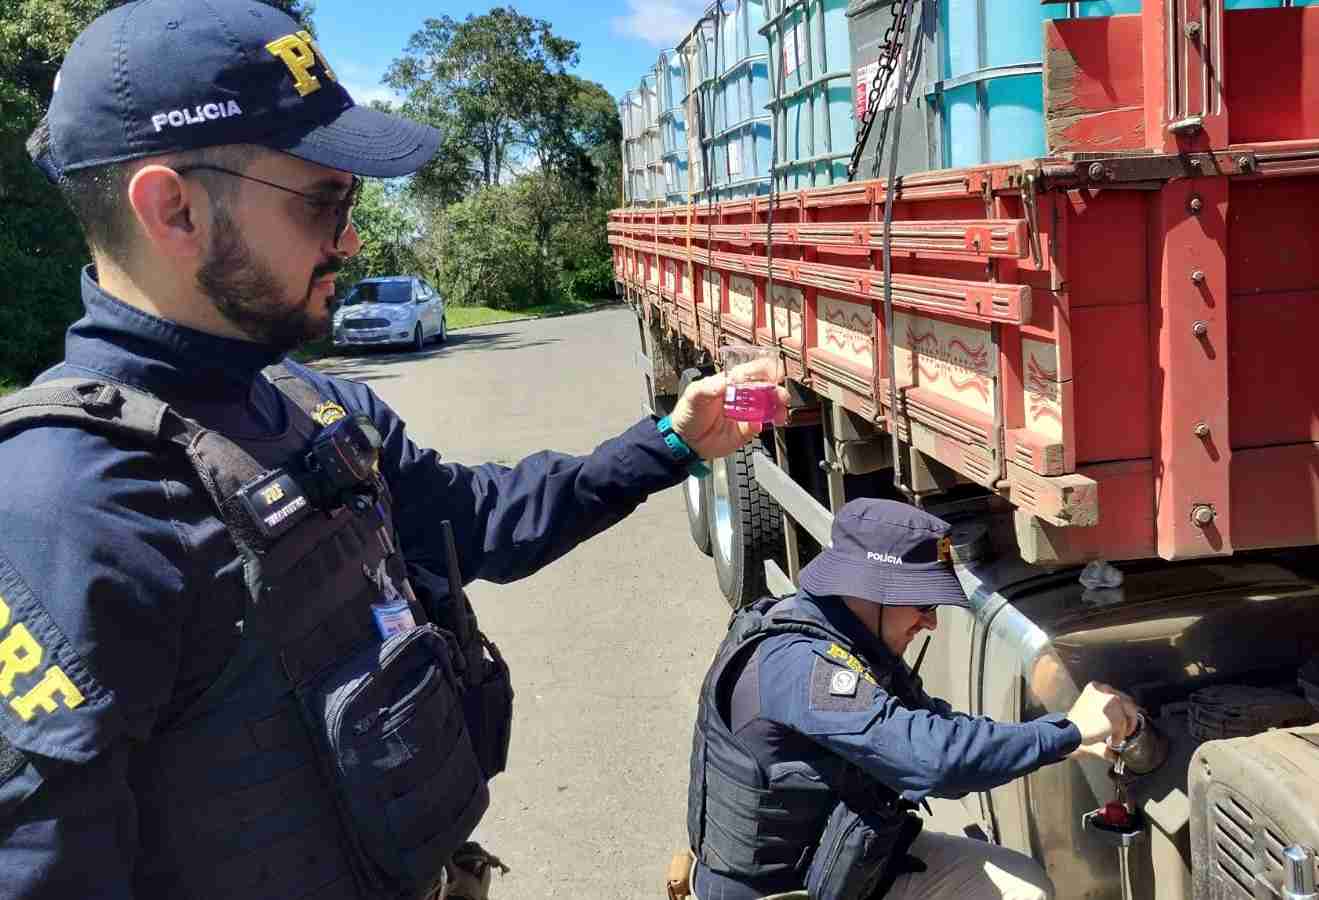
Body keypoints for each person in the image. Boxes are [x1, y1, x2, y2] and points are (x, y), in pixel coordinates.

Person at [0, 2, 787, 898]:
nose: (351, 238)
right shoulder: (61, 510)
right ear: (172, 207)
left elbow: (480, 520)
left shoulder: (309, 403)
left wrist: (673, 441)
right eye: (324, 200)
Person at [685, 499, 1141, 900]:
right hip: (783, 891)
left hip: (843, 863)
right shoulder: (802, 665)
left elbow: (940, 737)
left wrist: (1063, 739)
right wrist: (1068, 730)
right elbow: (933, 761)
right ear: (871, 590)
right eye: (923, 603)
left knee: (1022, 887)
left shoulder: (853, 636)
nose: (931, 622)